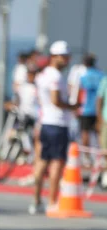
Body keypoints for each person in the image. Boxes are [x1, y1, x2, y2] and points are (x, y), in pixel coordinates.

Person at [30, 41, 80, 215]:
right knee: (56, 163)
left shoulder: (43, 75)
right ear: (55, 57)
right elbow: (56, 101)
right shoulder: (56, 77)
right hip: (57, 124)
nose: (67, 60)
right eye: (64, 57)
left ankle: (36, 201)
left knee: (42, 162)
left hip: (45, 122)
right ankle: (52, 201)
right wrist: (73, 106)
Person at [77, 53, 104, 162]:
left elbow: (80, 93)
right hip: (100, 110)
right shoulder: (101, 76)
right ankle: (101, 156)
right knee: (99, 133)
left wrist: (76, 107)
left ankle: (86, 157)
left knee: (85, 132)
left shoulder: (83, 76)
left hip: (86, 109)